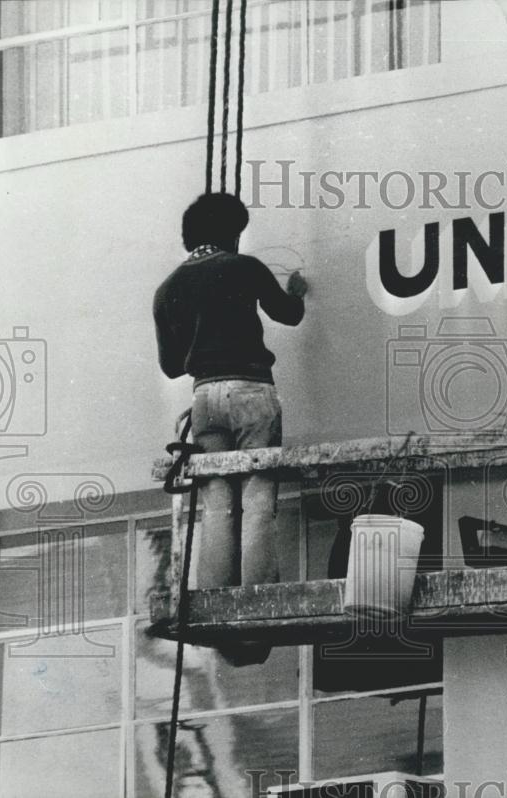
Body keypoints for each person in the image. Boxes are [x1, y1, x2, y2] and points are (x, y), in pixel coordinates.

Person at [153, 192, 308, 665]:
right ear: (231, 232)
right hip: (250, 392)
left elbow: (171, 365)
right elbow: (289, 314)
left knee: (218, 504)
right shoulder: (244, 267)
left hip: (204, 400)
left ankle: (218, 601)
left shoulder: (167, 289)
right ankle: (256, 602)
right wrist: (296, 290)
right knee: (258, 501)